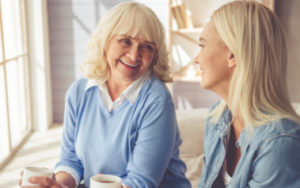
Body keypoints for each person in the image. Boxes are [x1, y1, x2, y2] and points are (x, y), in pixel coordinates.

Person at [20, 1, 191, 188]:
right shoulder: (79, 92)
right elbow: (71, 161)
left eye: (147, 47)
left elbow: (140, 182)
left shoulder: (157, 99)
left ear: (155, 54)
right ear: (106, 40)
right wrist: (58, 185)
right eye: (126, 41)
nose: (134, 55)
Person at [195, 1, 300, 187]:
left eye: (202, 45)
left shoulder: (280, 141)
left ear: (232, 56)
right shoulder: (217, 120)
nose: (197, 59)